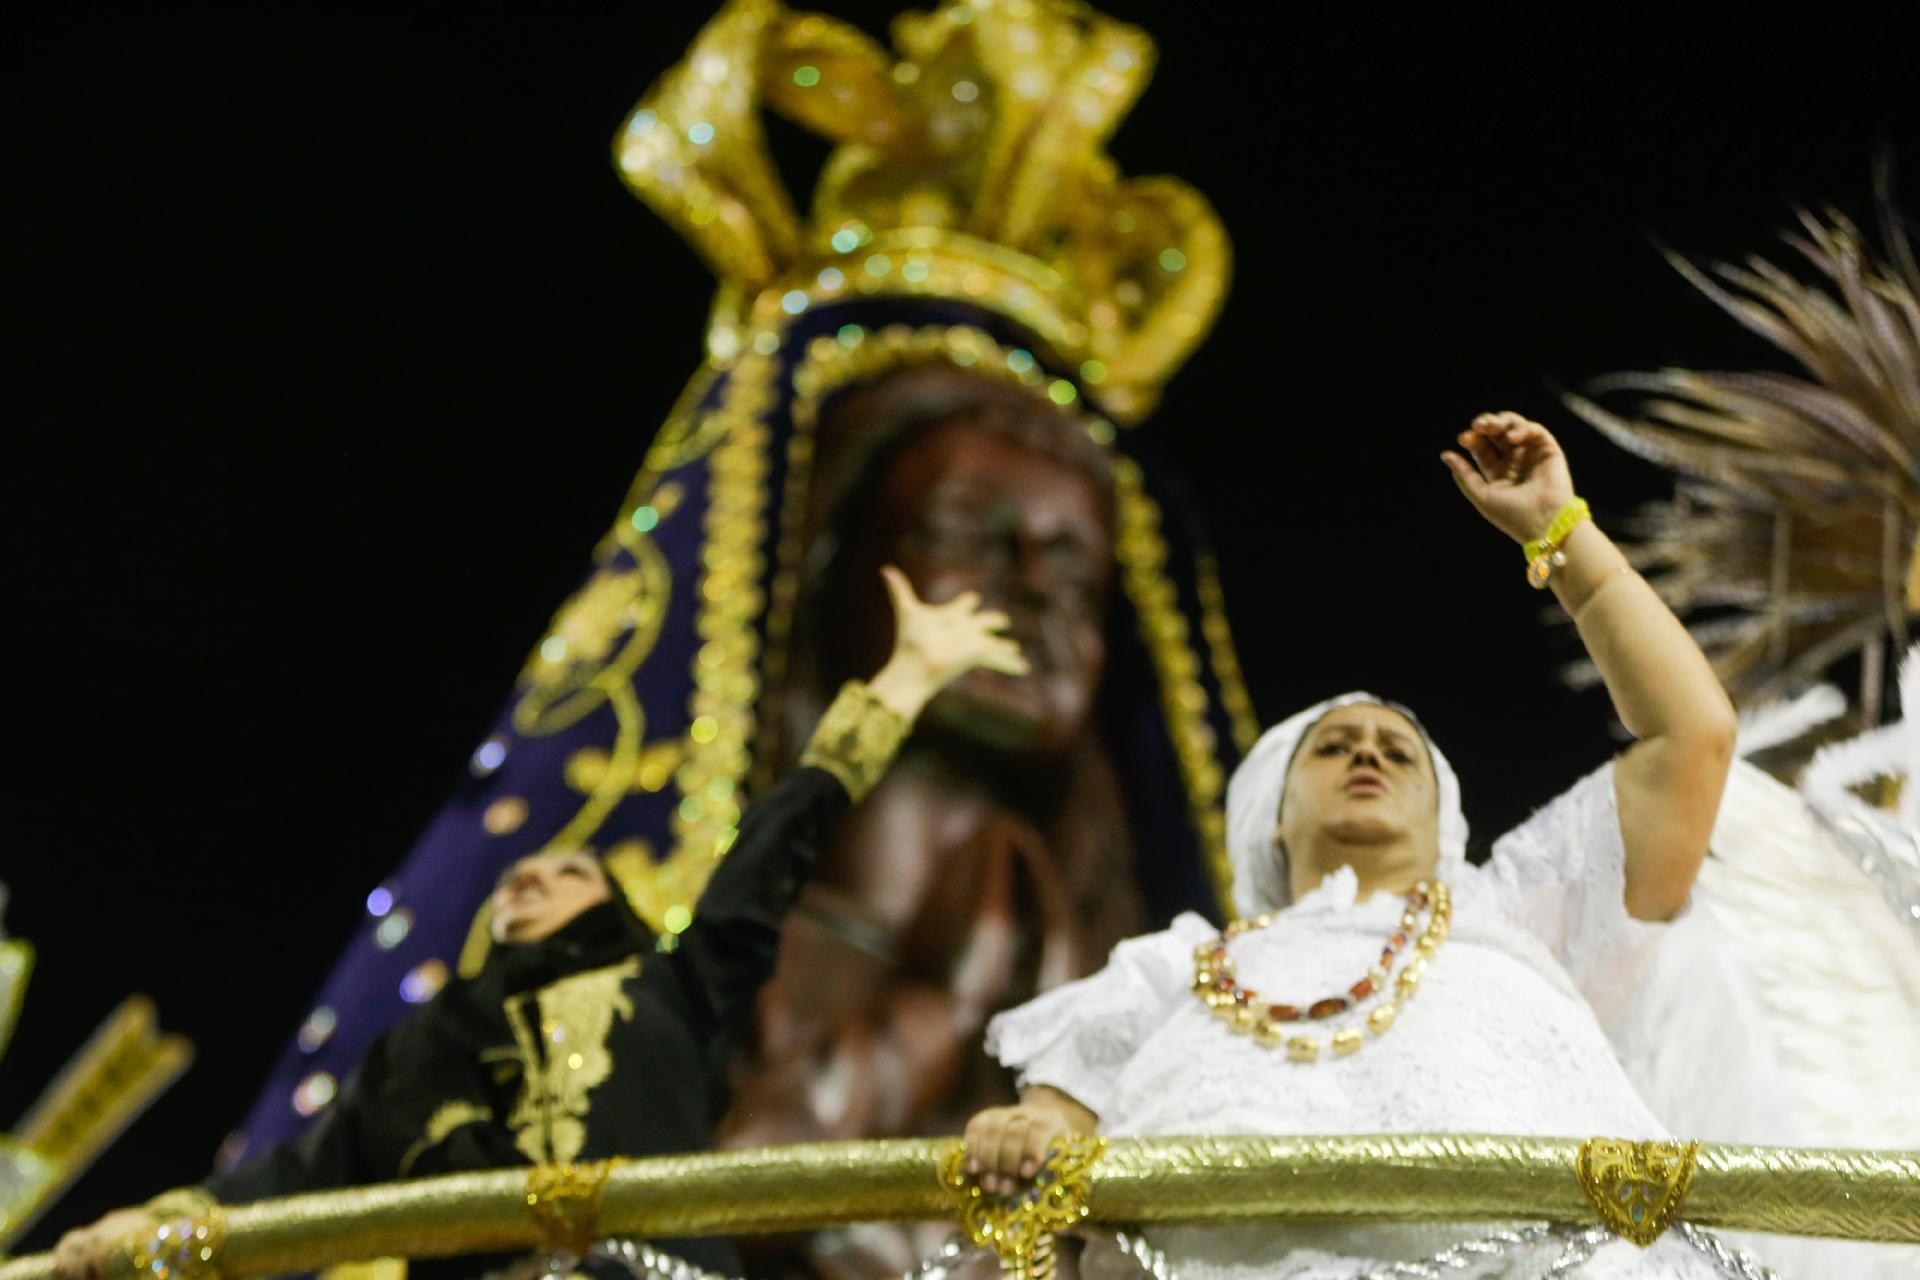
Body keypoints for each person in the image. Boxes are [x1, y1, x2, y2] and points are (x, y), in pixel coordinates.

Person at [51, 567, 1025, 1280]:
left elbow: (780, 837)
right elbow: (280, 1183)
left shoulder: (678, 988)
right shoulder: (411, 1059)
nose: (527, 878)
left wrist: (904, 679)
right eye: (515, 874)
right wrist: (139, 1227)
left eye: (564, 869)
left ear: (613, 905)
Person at [965, 412, 1742, 1279]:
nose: (1368, 752)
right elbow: (1055, 1126)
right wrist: (1023, 1133)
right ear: (1273, 815)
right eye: (1332, 748)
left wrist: (1561, 534)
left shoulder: (1527, 910)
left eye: (1397, 750)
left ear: (1445, 819)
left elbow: (1692, 734)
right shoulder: (1174, 966)